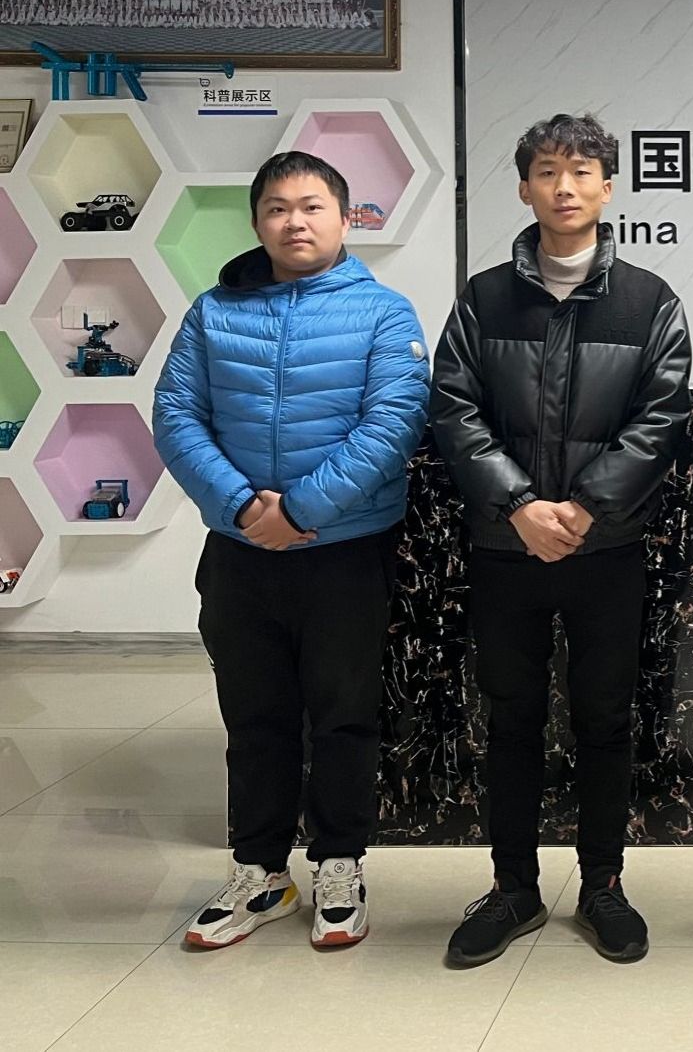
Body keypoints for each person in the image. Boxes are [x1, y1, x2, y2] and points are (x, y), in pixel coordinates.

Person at [432, 113, 691, 968]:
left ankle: (603, 885)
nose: (565, 187)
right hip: (505, 548)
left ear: (608, 188)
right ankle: (513, 887)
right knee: (510, 719)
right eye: (548, 172)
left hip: (605, 550)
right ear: (524, 187)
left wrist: (582, 509)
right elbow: (454, 409)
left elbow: (660, 419)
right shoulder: (483, 298)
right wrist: (518, 506)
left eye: (582, 172)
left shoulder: (650, 301)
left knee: (605, 719)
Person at [153, 151, 429, 950]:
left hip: (344, 551)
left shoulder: (384, 314)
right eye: (277, 208)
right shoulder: (214, 312)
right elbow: (175, 414)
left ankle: (340, 863)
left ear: (346, 219)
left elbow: (394, 423)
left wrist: (301, 510)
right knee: (254, 717)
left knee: (344, 716)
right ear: (257, 222)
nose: (295, 221)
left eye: (312, 206)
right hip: (239, 552)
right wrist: (243, 507)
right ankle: (260, 873)